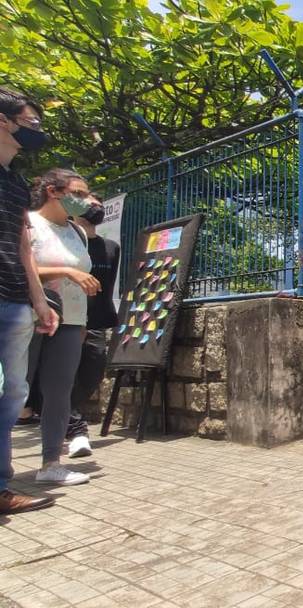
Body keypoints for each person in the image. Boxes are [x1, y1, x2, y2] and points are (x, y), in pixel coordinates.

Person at [0, 87, 59, 514]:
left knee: (12, 393)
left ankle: (2, 486)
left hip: (15, 298)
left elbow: (22, 245)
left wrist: (38, 299)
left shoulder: (17, 183)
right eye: (30, 121)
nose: (36, 129)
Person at [26, 168, 97, 486]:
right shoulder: (28, 223)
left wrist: (82, 323)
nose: (86, 201)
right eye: (78, 194)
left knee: (59, 392)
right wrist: (66, 271)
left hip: (70, 322)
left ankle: (51, 463)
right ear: (54, 192)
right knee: (13, 391)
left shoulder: (77, 232)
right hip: (29, 317)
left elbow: (86, 281)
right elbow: (20, 268)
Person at [66, 194, 120, 458]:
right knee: (63, 375)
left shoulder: (112, 247)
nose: (94, 207)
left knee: (94, 372)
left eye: (98, 203)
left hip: (98, 320)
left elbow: (108, 285)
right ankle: (75, 429)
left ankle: (59, 413)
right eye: (88, 202)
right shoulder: (68, 241)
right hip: (68, 318)